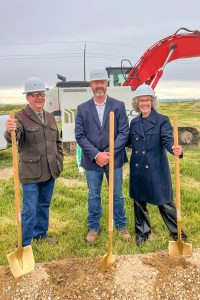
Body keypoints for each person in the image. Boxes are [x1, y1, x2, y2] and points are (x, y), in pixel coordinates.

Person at [5, 77, 63, 246]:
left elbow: (57, 142)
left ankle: (41, 234)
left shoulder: (50, 117)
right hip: (31, 173)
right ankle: (23, 243)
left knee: (44, 205)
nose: (39, 97)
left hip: (50, 170)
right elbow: (14, 137)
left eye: (42, 94)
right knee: (29, 210)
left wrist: (58, 160)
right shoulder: (19, 117)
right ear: (28, 97)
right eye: (35, 94)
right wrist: (10, 131)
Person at [75, 67, 130, 243]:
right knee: (93, 195)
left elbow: (123, 132)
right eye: (96, 82)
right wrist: (96, 155)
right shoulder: (82, 108)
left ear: (107, 84)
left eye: (102, 82)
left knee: (117, 194)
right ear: (91, 85)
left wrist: (108, 153)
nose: (99, 85)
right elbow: (80, 135)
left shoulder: (118, 105)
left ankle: (121, 226)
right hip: (92, 162)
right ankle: (93, 227)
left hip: (114, 159)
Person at [129, 84, 187, 246]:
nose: (144, 103)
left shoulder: (162, 120)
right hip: (138, 169)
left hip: (156, 169)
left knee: (164, 202)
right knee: (139, 203)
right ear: (137, 103)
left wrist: (175, 149)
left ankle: (178, 235)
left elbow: (168, 140)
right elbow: (126, 142)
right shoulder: (134, 123)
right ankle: (142, 234)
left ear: (152, 102)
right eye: (141, 101)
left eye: (147, 100)